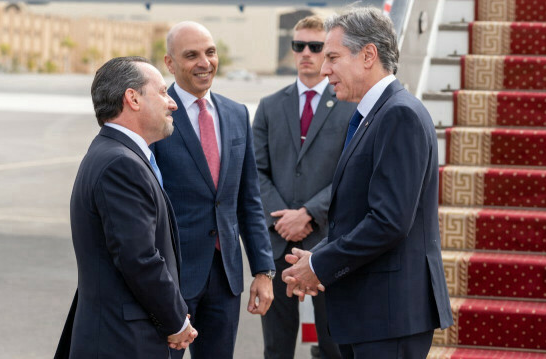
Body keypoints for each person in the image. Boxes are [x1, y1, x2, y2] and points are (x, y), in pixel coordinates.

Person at [282, 8, 454, 358]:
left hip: (389, 316)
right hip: (370, 313)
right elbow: (358, 213)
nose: (323, 68)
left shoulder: (399, 114)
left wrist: (318, 266)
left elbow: (389, 222)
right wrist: (317, 256)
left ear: (368, 55)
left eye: (332, 57)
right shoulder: (372, 114)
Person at [54, 56, 198, 359]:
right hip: (123, 342)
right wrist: (175, 319)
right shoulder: (121, 163)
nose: (172, 103)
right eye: (162, 92)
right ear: (132, 98)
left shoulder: (115, 154)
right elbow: (139, 258)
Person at [151, 22, 276, 359]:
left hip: (226, 277)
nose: (204, 62)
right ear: (170, 63)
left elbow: (249, 201)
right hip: (173, 277)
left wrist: (263, 271)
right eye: (191, 55)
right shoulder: (156, 116)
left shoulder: (236, 114)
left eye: (210, 52)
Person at [253, 15, 354, 359]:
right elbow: (256, 170)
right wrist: (285, 219)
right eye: (299, 46)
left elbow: (351, 172)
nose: (306, 53)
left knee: (334, 345)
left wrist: (309, 213)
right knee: (276, 346)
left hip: (329, 241)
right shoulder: (269, 106)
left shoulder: (348, 103)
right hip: (277, 241)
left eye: (316, 46)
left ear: (328, 51)